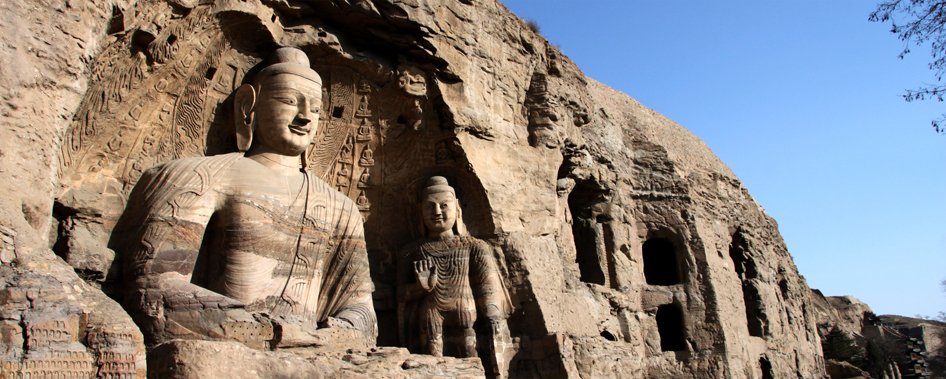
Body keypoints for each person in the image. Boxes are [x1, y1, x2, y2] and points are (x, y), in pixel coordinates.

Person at [112, 47, 376, 348]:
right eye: (290, 101)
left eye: (315, 109)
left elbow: (362, 313)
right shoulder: (202, 176)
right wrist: (269, 332)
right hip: (228, 346)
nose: (305, 118)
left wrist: (331, 336)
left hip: (313, 350)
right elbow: (154, 286)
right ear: (248, 105)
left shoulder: (340, 208)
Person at [396, 176, 510, 358]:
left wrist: (493, 313)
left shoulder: (474, 246)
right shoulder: (411, 252)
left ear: (457, 209)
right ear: (420, 212)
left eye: (444, 205)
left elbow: (487, 284)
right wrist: (418, 288)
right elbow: (400, 294)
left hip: (465, 308)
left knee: (471, 356)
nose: (437, 211)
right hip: (431, 312)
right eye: (429, 206)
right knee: (432, 363)